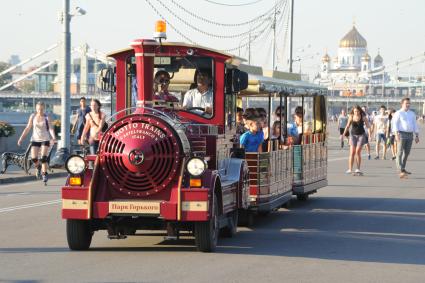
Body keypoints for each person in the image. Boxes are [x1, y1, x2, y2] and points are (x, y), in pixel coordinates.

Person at [17, 101, 56, 182]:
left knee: (43, 158)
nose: (40, 111)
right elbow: (28, 128)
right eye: (38, 109)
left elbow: (51, 129)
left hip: (45, 139)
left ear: (44, 109)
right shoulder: (33, 116)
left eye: (41, 109)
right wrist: (21, 138)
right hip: (35, 139)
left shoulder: (47, 117)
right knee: (34, 158)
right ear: (36, 108)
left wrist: (54, 137)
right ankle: (38, 166)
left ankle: (44, 174)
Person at [392, 97, 420, 178]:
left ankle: (403, 168)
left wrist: (417, 135)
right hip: (401, 134)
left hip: (410, 135)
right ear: (402, 104)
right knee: (399, 153)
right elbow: (395, 124)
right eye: (406, 103)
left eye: (409, 103)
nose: (408, 105)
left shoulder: (412, 113)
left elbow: (414, 125)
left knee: (407, 153)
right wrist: (396, 134)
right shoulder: (398, 113)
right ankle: (400, 170)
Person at [343, 105, 371, 175]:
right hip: (353, 135)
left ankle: (358, 169)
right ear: (353, 111)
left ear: (360, 111)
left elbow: (368, 126)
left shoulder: (363, 116)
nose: (356, 112)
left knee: (358, 152)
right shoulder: (351, 116)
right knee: (352, 152)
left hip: (361, 135)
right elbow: (347, 126)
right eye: (355, 111)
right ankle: (350, 169)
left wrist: (370, 135)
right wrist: (343, 134)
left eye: (357, 111)